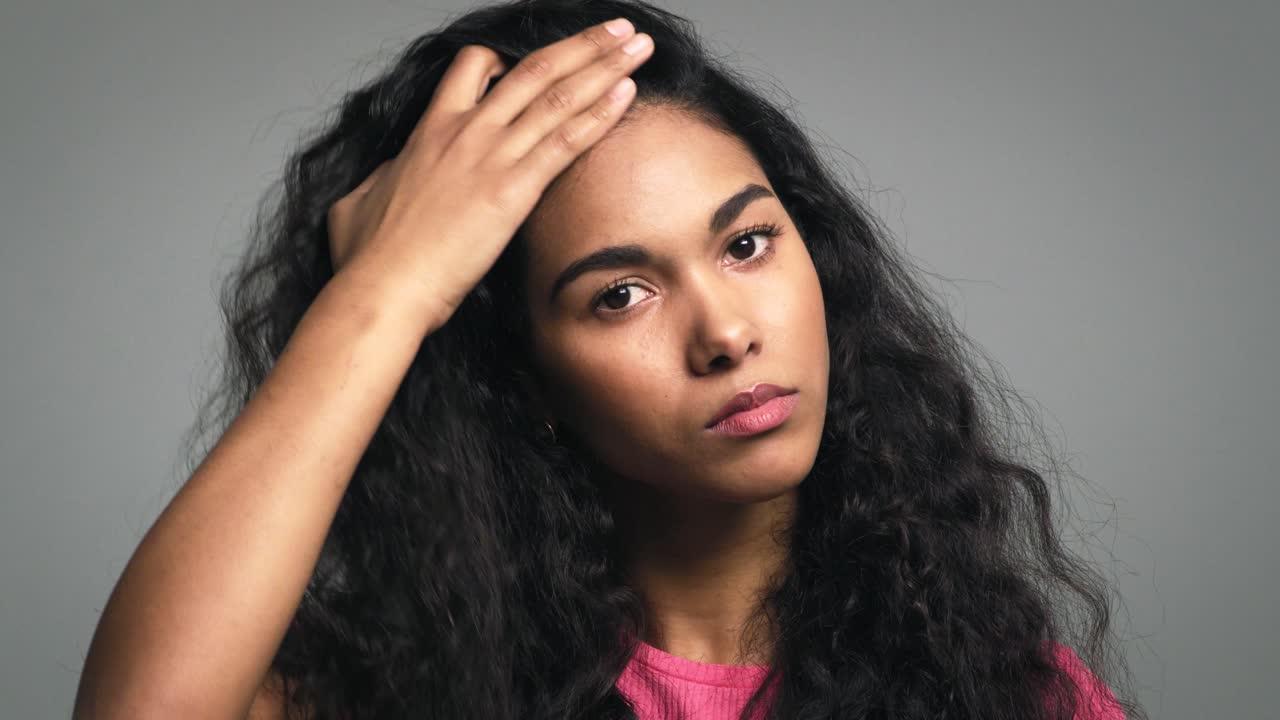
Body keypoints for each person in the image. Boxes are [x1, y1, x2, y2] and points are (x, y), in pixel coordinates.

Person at [73, 1, 1144, 718]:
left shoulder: (1007, 693)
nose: (726, 333)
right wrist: (384, 294)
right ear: (520, 379)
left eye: (746, 242)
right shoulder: (388, 694)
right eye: (618, 293)